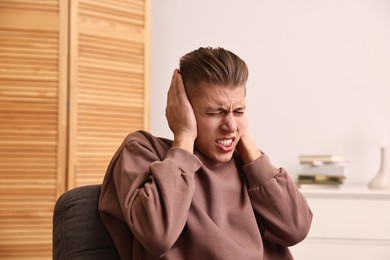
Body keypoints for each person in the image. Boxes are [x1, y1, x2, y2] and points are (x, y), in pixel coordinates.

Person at [99, 47, 312, 260]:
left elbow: (296, 228)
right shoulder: (144, 151)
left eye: (238, 111)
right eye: (215, 112)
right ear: (183, 109)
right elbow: (158, 236)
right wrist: (183, 135)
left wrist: (245, 138)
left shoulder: (248, 163)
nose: (230, 126)